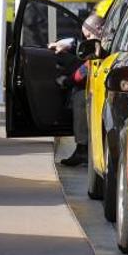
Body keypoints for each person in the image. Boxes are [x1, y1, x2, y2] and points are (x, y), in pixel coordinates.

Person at [48, 13, 104, 167]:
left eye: (89, 35)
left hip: (104, 88)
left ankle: (82, 149)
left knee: (80, 97)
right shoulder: (103, 38)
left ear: (99, 28)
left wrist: (68, 81)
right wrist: (70, 45)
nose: (87, 39)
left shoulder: (105, 42)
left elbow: (86, 68)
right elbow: (83, 48)